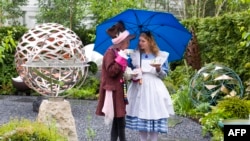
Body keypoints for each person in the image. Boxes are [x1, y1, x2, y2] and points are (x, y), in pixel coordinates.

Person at [125, 31, 175, 141]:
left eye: (143, 41)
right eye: (139, 41)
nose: (140, 43)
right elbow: (127, 69)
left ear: (150, 42)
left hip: (154, 87)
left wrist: (158, 68)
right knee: (140, 112)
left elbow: (163, 75)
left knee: (154, 112)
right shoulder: (135, 55)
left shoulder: (159, 56)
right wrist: (135, 72)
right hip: (139, 86)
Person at [95, 21, 135, 141]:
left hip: (120, 89)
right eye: (127, 42)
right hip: (113, 91)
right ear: (120, 43)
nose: (128, 44)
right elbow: (111, 71)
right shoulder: (110, 53)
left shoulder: (118, 53)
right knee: (119, 119)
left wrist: (128, 72)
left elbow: (119, 72)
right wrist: (120, 59)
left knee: (119, 119)